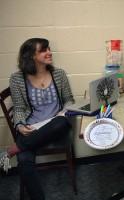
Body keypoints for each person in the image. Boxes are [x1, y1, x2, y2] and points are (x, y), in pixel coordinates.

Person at [0, 38, 74, 200]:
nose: (49, 52)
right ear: (31, 56)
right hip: (31, 129)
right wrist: (19, 125)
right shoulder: (17, 79)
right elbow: (19, 108)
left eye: (48, 49)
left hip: (56, 125)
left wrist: (64, 112)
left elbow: (69, 100)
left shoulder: (59, 74)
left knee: (61, 122)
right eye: (43, 50)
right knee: (25, 160)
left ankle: (12, 150)